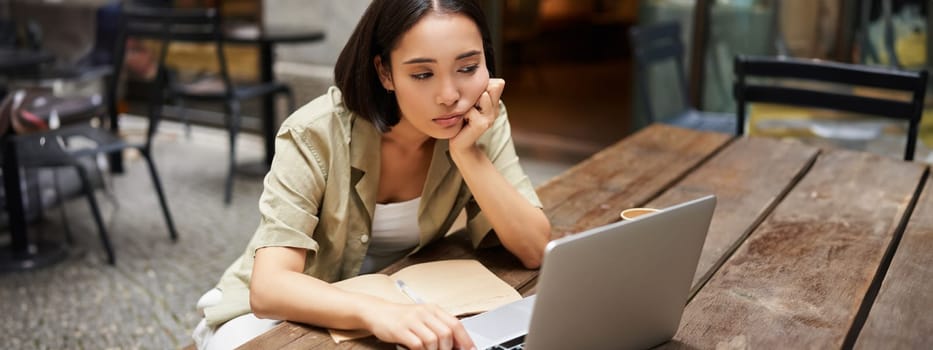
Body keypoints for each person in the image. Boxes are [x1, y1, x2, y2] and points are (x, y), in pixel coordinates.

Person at [191, 0, 551, 349]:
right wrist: (380, 314)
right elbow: (269, 289)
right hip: (278, 316)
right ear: (385, 72)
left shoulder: (481, 120)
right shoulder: (314, 133)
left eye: (468, 68)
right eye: (422, 74)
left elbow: (535, 250)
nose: (449, 95)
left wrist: (467, 153)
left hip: (403, 301)